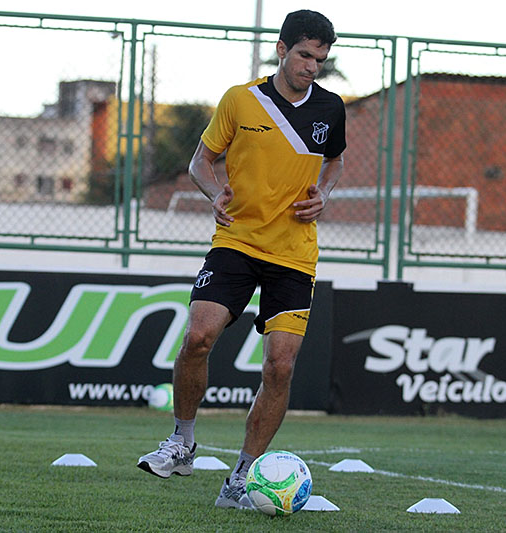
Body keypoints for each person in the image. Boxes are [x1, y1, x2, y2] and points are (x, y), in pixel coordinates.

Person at [137, 9, 345, 509]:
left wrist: (326, 193)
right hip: (237, 240)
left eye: (320, 59)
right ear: (281, 49)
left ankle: (243, 478)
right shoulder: (241, 100)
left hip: (294, 254)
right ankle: (181, 441)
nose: (311, 67)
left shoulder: (332, 108)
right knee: (198, 337)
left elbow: (334, 161)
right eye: (304, 56)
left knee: (279, 367)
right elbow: (199, 162)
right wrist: (213, 194)